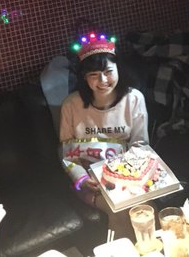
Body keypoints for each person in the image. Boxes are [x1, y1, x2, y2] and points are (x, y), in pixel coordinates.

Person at [59, 32, 149, 239]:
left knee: (145, 208)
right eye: (93, 75)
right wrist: (81, 178)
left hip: (128, 176)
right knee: (119, 210)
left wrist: (127, 176)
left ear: (118, 69)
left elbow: (141, 145)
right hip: (90, 181)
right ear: (84, 77)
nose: (103, 80)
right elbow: (66, 153)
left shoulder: (134, 99)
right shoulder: (71, 105)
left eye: (108, 72)